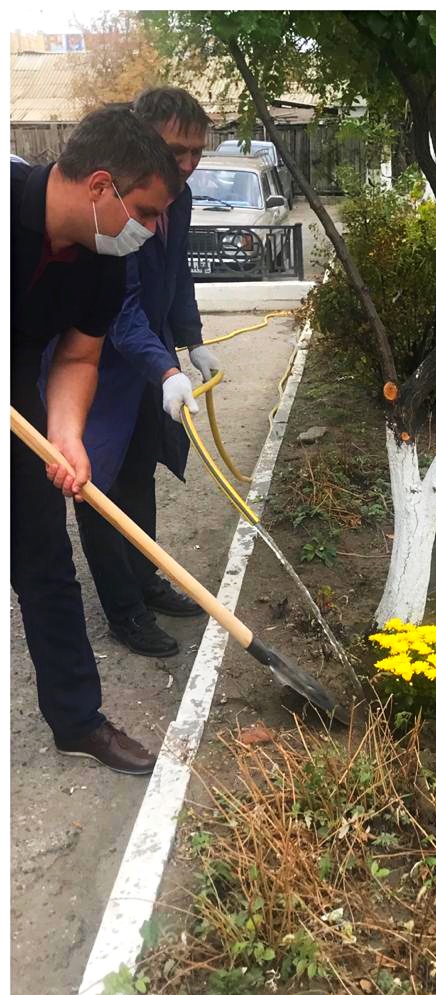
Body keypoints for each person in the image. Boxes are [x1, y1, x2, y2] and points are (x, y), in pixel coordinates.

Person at [11, 105, 180, 774]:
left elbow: (78, 359)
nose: (154, 227)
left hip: (20, 385)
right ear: (101, 186)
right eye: (147, 209)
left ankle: (78, 720)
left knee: (45, 562)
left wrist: (67, 435)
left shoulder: (102, 264)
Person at [48, 88, 217, 659]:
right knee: (98, 488)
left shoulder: (180, 197)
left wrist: (190, 341)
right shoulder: (111, 210)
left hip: (153, 364)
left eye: (197, 151)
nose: (188, 164)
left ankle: (146, 580)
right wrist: (164, 367)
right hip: (98, 368)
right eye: (177, 149)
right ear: (142, 143)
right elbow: (117, 307)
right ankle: (123, 610)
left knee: (140, 473)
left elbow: (176, 273)